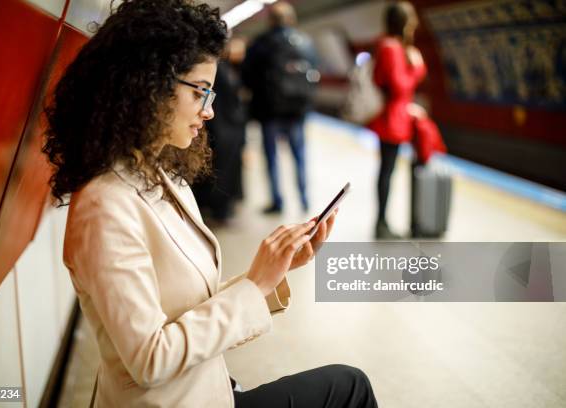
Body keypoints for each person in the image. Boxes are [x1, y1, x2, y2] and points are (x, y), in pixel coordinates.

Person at [42, 1, 378, 407]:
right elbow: (150, 359)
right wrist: (256, 284)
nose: (210, 110)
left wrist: (272, 273)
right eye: (201, 91)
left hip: (207, 392)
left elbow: (186, 306)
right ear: (147, 85)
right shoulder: (104, 206)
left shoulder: (157, 174)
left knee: (347, 384)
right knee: (350, 388)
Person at [242, 1, 319, 215]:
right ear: (291, 19)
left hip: (269, 112)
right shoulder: (306, 43)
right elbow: (315, 73)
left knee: (272, 158)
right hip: (297, 111)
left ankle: (277, 201)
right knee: (300, 156)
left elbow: (247, 76)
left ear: (271, 20)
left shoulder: (261, 43)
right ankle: (304, 200)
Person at [368, 1, 427, 239]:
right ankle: (381, 223)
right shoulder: (392, 47)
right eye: (411, 20)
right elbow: (399, 85)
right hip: (392, 119)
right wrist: (417, 68)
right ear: (403, 22)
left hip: (395, 116)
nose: (415, 24)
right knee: (387, 170)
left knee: (387, 169)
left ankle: (383, 221)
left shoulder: (387, 45)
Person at [193, 38, 248, 225]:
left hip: (226, 129)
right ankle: (219, 210)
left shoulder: (226, 70)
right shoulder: (219, 72)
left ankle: (219, 208)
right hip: (223, 129)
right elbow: (214, 102)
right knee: (221, 172)